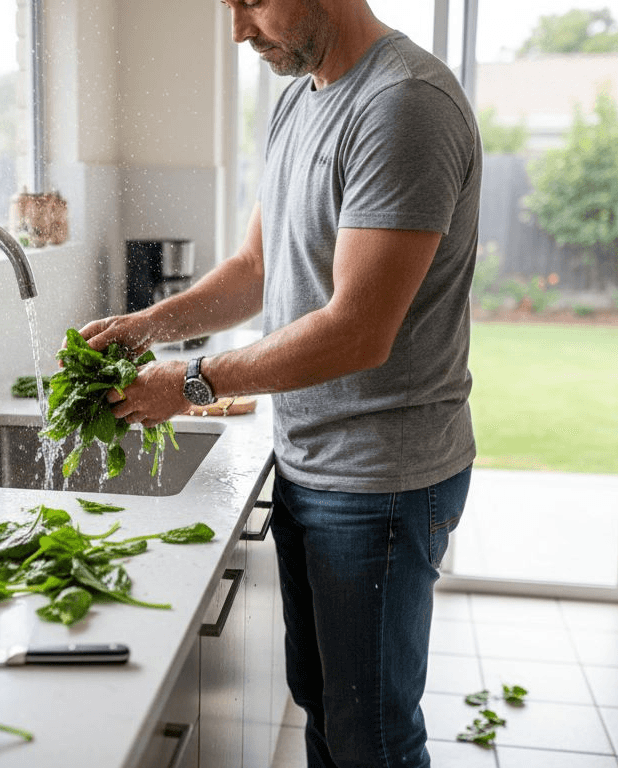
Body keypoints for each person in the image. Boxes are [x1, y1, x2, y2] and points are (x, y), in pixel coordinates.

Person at [79, 1, 479, 765]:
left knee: (374, 741)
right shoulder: (301, 98)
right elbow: (256, 270)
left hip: (379, 482)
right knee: (327, 709)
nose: (237, 31)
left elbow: (359, 329)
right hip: (309, 462)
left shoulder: (403, 107)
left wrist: (188, 383)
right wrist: (144, 326)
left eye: (253, 2)